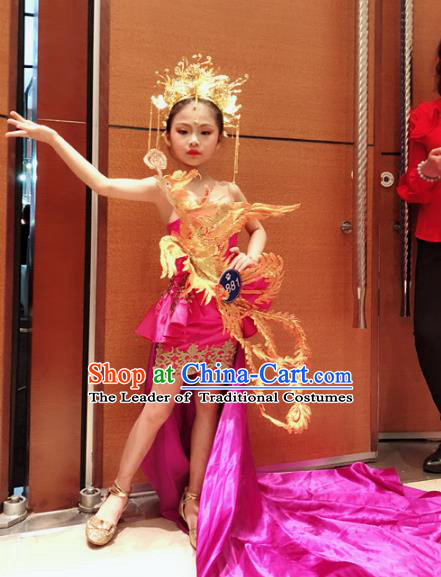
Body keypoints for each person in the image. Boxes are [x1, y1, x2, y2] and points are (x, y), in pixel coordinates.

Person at [6, 54, 441, 577]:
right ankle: (117, 498)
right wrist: (50, 139)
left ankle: (195, 497)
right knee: (157, 409)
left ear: (219, 139)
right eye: (183, 131)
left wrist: (250, 254)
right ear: (167, 137)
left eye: (204, 131)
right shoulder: (163, 189)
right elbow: (100, 184)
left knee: (209, 410)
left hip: (223, 319)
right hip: (181, 319)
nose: (193, 140)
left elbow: (258, 229)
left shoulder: (230, 192)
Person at [396, 39, 441, 474]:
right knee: (430, 336)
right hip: (436, 239)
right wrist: (429, 171)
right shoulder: (425, 117)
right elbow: (410, 189)